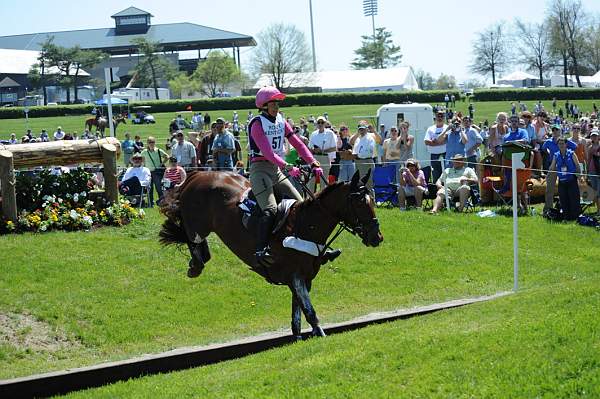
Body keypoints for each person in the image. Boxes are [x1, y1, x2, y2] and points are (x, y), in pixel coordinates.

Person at [248, 86, 336, 266]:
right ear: (264, 105)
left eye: (278, 103)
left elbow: (297, 143)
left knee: (303, 207)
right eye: (273, 103)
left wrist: (313, 162)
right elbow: (267, 152)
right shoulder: (257, 124)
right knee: (270, 209)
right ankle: (260, 250)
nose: (277, 106)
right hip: (260, 170)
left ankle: (316, 248)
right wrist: (288, 166)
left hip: (276, 170)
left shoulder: (281, 121)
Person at [549, 137, 581, 220]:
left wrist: (580, 176)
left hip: (572, 180)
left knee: (574, 199)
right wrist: (549, 172)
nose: (561, 145)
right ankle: (566, 217)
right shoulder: (556, 155)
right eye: (559, 144)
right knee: (563, 200)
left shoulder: (572, 153)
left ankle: (575, 217)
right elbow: (552, 167)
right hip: (562, 181)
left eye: (563, 143)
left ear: (566, 144)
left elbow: (577, 166)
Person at [308, 115, 337, 189]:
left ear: (325, 123)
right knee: (312, 179)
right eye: (319, 122)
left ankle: (323, 198)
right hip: (315, 158)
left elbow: (334, 148)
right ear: (317, 124)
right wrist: (314, 150)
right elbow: (309, 147)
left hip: (325, 157)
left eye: (322, 122)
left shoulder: (330, 133)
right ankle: (310, 198)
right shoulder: (313, 134)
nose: (320, 124)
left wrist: (322, 150)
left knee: (323, 180)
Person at [141, 136, 169, 206]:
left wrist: (162, 164)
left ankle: (162, 202)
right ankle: (151, 203)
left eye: (152, 142)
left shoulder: (158, 150)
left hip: (157, 172)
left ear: (155, 143)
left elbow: (167, 157)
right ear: (147, 143)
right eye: (150, 142)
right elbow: (141, 159)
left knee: (159, 188)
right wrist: (143, 166)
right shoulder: (144, 152)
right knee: (149, 189)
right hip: (148, 173)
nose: (151, 143)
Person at [350, 121, 378, 191]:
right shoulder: (358, 138)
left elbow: (370, 152)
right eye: (360, 129)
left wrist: (358, 154)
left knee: (367, 183)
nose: (361, 130)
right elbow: (351, 142)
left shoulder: (370, 138)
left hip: (366, 161)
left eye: (363, 129)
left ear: (366, 129)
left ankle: (371, 199)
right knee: (358, 182)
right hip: (358, 161)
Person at [424, 110, 448, 183]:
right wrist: (440, 142)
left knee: (445, 174)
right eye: (438, 116)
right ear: (435, 117)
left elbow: (447, 140)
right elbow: (426, 141)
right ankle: (436, 192)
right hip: (434, 155)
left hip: (445, 154)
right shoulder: (430, 129)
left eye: (442, 116)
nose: (440, 117)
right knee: (435, 175)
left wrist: (434, 142)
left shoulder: (447, 128)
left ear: (444, 118)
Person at [586, 129, 600, 214]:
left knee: (599, 191)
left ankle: (599, 210)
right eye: (592, 136)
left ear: (598, 136)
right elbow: (589, 159)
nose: (594, 137)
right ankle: (597, 209)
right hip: (592, 170)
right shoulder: (590, 147)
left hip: (599, 171)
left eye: (595, 136)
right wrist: (587, 171)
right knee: (594, 190)